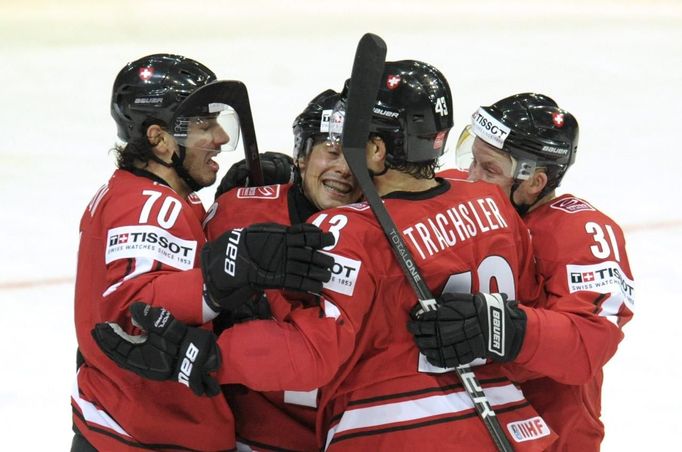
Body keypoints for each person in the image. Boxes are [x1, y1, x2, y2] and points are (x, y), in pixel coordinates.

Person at [94, 61, 558, 450]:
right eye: (329, 150)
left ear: (376, 150)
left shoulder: (351, 227)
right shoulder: (486, 199)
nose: (342, 166)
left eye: (351, 146)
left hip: (385, 429)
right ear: (299, 156)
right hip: (510, 424)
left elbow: (311, 351)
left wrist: (207, 354)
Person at [73, 53, 333, 451]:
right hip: (149, 437)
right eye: (203, 126)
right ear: (160, 139)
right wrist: (230, 269)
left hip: (129, 428)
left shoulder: (141, 194)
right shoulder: (152, 208)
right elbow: (132, 316)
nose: (221, 138)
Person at [415, 93, 635, 450]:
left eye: (489, 169)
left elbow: (587, 346)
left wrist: (503, 327)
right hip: (461, 428)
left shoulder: (583, 231)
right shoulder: (459, 193)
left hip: (555, 437)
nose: (469, 177)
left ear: (534, 182)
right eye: (473, 160)